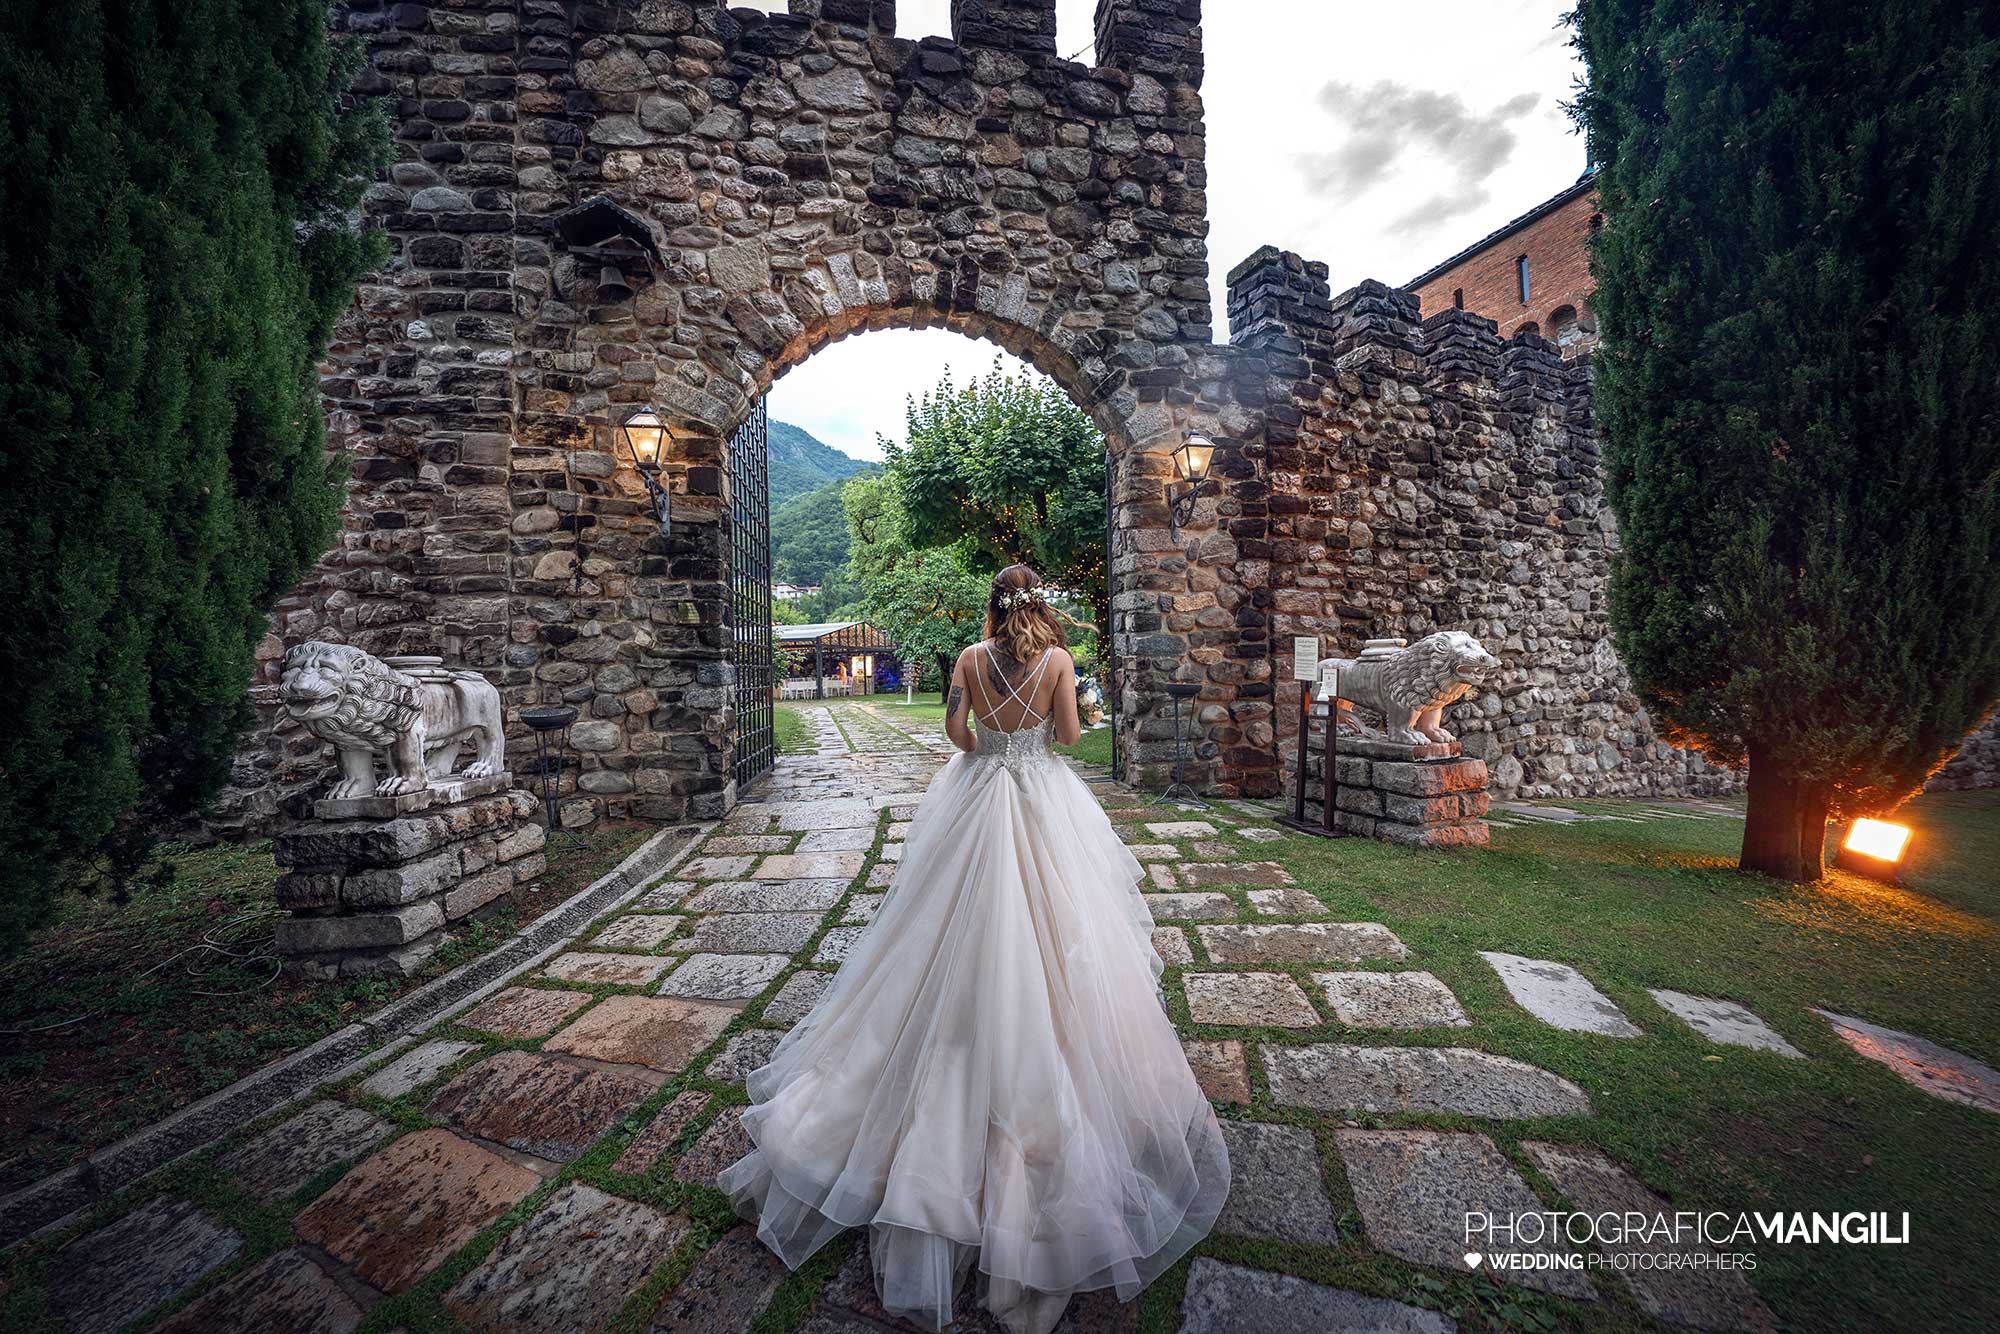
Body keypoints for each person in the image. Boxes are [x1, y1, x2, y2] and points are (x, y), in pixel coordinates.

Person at [718, 564, 1229, 1333]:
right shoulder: (1058, 662)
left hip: (977, 793)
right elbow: (1069, 737)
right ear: (1039, 606)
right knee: (1062, 937)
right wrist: (1052, 714)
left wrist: (986, 732)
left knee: (937, 933)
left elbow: (956, 735)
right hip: (1042, 799)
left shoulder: (965, 658)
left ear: (992, 606)